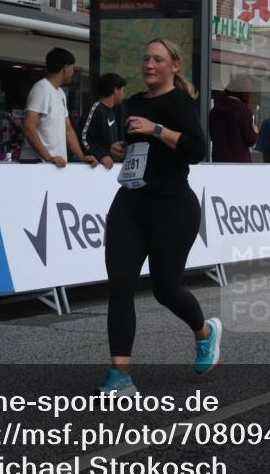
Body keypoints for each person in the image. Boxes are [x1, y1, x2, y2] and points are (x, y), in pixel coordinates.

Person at [99, 38, 219, 396]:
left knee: (166, 290)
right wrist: (119, 148)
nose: (149, 65)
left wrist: (156, 129)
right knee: (120, 286)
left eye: (158, 59)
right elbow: (132, 148)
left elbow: (197, 150)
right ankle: (119, 375)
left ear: (174, 66)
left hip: (173, 207)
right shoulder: (133, 102)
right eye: (145, 58)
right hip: (131, 203)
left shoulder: (181, 103)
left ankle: (205, 332)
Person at [20, 48, 97, 168]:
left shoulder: (60, 93)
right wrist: (48, 157)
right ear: (66, 68)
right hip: (38, 163)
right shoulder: (41, 89)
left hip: (55, 164)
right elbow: (28, 126)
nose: (73, 71)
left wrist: (82, 157)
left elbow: (68, 130)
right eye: (72, 67)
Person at [80, 72, 126, 169]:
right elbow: (83, 137)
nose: (123, 95)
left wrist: (113, 148)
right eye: (122, 90)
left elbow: (101, 142)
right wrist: (100, 156)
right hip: (92, 169)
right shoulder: (95, 109)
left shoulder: (112, 111)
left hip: (107, 169)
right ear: (115, 90)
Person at [208, 77, 256, 163]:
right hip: (239, 162)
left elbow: (212, 136)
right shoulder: (243, 111)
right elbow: (250, 141)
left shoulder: (214, 110)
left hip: (219, 159)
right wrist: (255, 131)